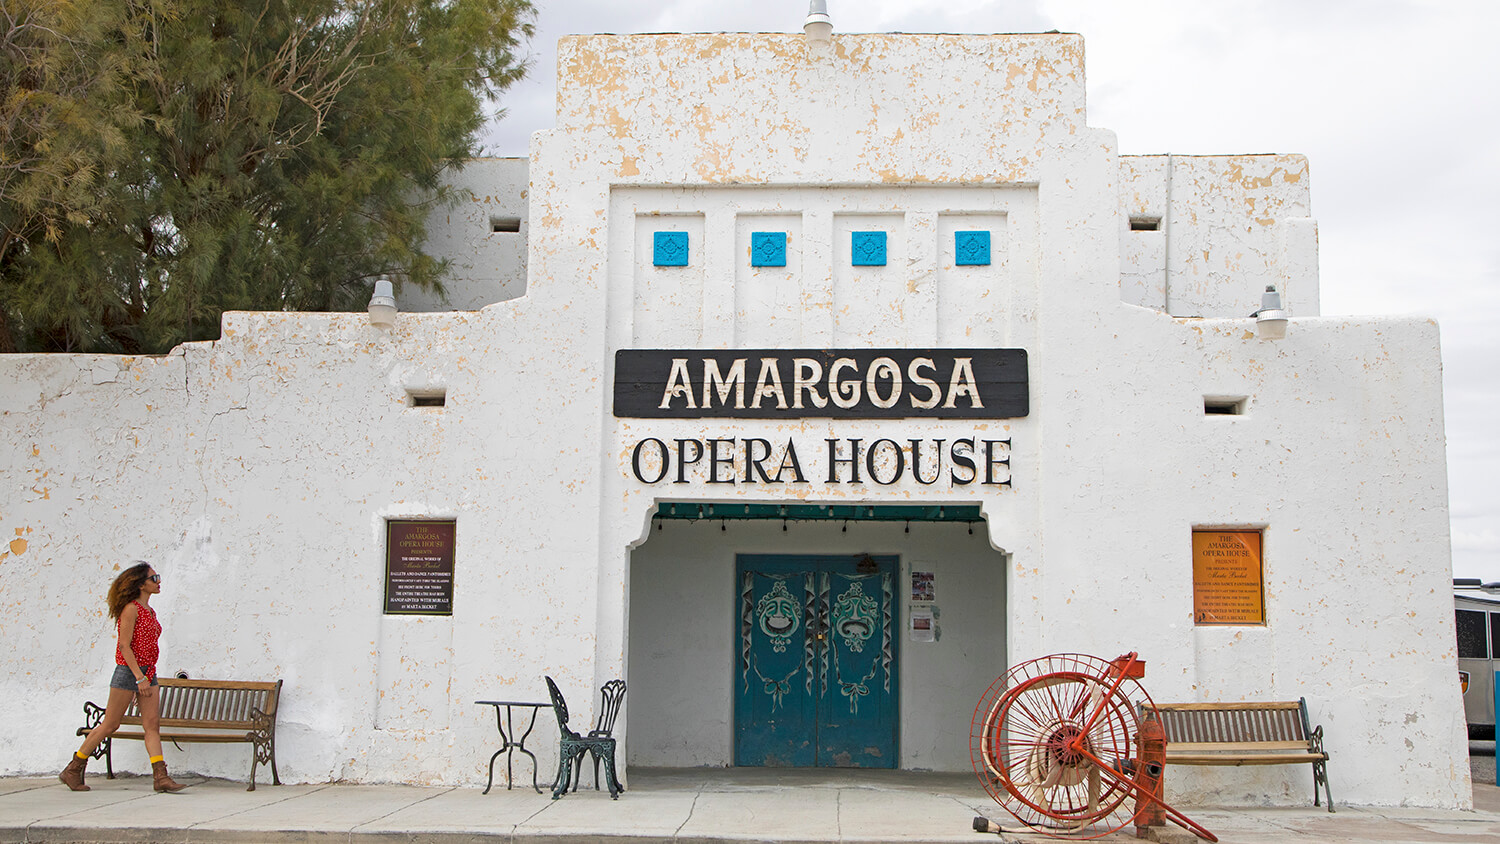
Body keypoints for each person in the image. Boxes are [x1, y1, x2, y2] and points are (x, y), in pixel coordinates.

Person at [59, 562, 186, 792]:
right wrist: (139, 678)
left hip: (148, 671)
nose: (158, 582)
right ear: (141, 584)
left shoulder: (150, 611)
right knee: (110, 724)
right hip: (130, 672)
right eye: (154, 578)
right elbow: (125, 647)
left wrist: (147, 676)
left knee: (152, 725)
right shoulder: (131, 609)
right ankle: (73, 768)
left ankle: (160, 777)